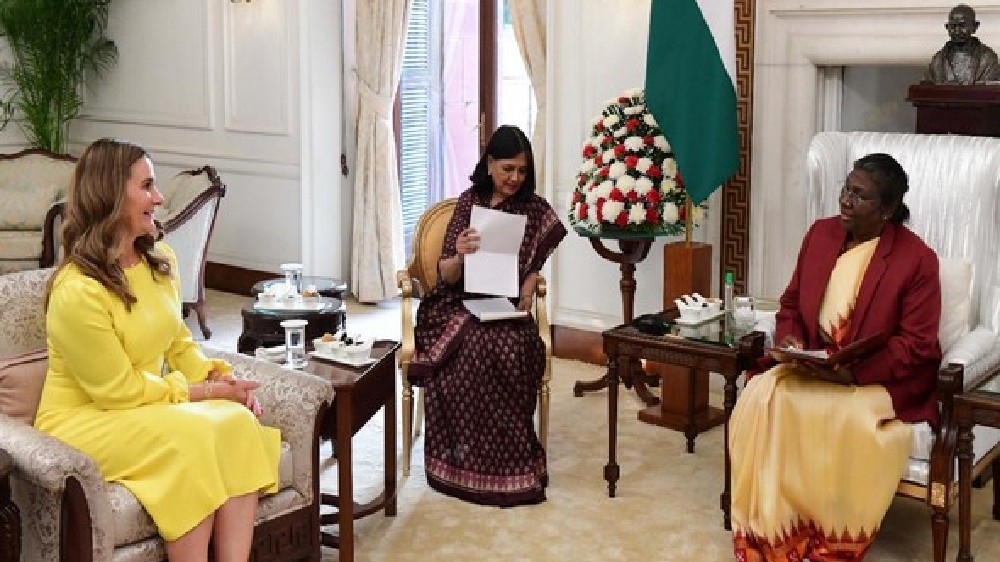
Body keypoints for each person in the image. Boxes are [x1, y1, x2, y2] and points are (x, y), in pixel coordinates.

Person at [34, 138, 280, 562]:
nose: (160, 198)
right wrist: (204, 393)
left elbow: (178, 342)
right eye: (147, 186)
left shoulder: (159, 260)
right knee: (192, 439)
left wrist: (219, 378)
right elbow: (118, 392)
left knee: (238, 424)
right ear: (111, 196)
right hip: (85, 419)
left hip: (140, 406)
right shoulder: (77, 291)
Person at [729, 153, 941, 562]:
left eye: (859, 196)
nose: (845, 200)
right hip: (815, 364)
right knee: (764, 395)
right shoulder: (820, 234)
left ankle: (829, 537)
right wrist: (791, 340)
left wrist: (854, 373)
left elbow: (916, 344)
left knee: (849, 417)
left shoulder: (917, 260)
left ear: (887, 210)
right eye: (846, 188)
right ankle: (778, 528)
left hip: (878, 378)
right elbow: (791, 304)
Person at [408, 125, 567, 507]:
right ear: (490, 163)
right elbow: (446, 275)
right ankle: (461, 460)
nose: (515, 178)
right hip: (457, 303)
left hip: (505, 307)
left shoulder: (534, 209)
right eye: (508, 168)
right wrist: (460, 254)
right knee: (470, 352)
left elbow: (535, 261)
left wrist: (529, 285)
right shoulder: (470, 203)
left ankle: (508, 462)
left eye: (523, 171)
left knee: (512, 349)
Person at [926, 3, 1000, 84]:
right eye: (953, 26)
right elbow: (927, 86)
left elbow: (990, 88)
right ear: (947, 27)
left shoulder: (987, 58)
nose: (957, 31)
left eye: (962, 26)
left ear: (975, 26)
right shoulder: (938, 60)